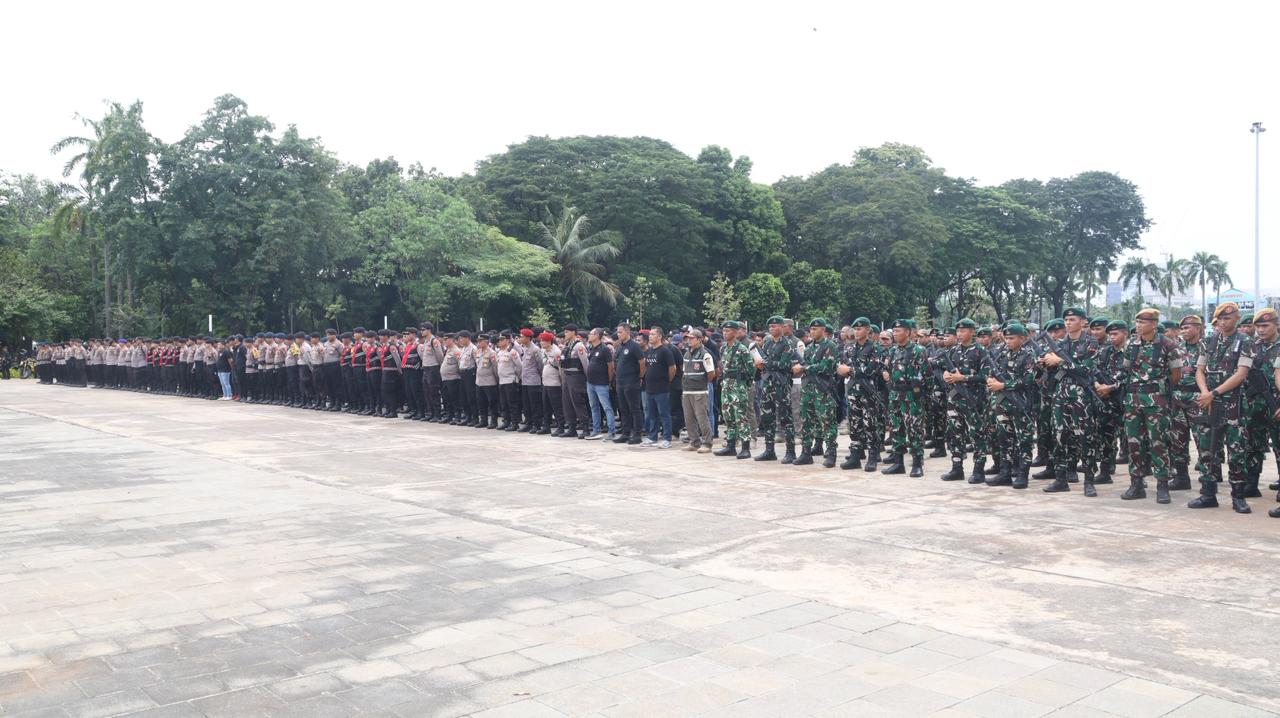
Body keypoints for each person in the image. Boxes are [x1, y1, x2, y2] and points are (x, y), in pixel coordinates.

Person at [1189, 302, 1255, 512]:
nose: (1223, 323)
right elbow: (1200, 370)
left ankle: (1238, 497)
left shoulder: (1245, 341)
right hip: (1209, 402)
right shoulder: (1209, 341)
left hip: (1233, 403)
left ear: (1236, 318)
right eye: (1219, 319)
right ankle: (1208, 494)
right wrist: (1205, 392)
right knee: (1207, 449)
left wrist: (1214, 393)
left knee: (1236, 450)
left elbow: (1241, 374)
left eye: (1227, 318)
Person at [1119, 308, 1183, 504]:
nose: (1138, 325)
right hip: (1133, 400)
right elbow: (1126, 369)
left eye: (1143, 322)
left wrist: (1158, 389)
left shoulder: (1168, 345)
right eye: (1137, 322)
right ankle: (1136, 484)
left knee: (1159, 443)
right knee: (1134, 443)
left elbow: (1176, 374)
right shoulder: (1132, 344)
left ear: (1154, 324)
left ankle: (1162, 486)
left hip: (1156, 402)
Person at [1040, 308, 1099, 495]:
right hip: (1060, 395)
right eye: (1066, 319)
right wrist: (1044, 363)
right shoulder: (1059, 343)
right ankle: (1060, 479)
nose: (1068, 322)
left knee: (1085, 437)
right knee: (1059, 437)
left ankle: (1089, 480)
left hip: (1081, 395)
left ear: (1082, 322)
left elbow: (1086, 369)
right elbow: (1049, 369)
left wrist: (1060, 361)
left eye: (1072, 319)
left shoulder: (1090, 342)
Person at [985, 322, 1038, 488]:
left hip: (1021, 404)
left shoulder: (1028, 355)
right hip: (1002, 403)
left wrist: (1003, 385)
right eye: (1006, 338)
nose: (1008, 341)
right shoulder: (1001, 354)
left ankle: (1022, 475)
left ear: (1022, 338)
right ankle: (1005, 473)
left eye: (1012, 338)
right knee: (1004, 439)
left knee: (1024, 440)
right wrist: (991, 380)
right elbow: (991, 372)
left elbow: (1028, 380)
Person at [938, 319, 990, 483]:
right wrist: (946, 375)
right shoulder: (953, 350)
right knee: (954, 434)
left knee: (977, 434)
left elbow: (986, 376)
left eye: (964, 331)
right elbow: (943, 368)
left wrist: (963, 378)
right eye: (958, 331)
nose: (960, 334)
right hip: (954, 398)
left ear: (973, 331)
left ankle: (978, 470)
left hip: (974, 399)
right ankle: (957, 468)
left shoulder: (980, 351)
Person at [838, 317, 885, 471]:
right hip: (853, 391)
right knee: (855, 425)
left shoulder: (875, 348)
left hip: (868, 392)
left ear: (867, 330)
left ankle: (872, 456)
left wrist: (850, 370)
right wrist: (842, 371)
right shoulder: (850, 348)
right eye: (855, 329)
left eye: (860, 329)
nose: (856, 332)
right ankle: (855, 456)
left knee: (870, 424)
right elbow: (843, 365)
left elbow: (871, 370)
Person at [882, 319, 927, 477]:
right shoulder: (892, 351)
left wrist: (920, 394)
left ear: (907, 332)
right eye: (894, 331)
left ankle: (917, 464)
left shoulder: (918, 350)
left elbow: (927, 375)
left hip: (911, 397)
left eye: (898, 331)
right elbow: (887, 370)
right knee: (896, 429)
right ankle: (898, 463)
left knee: (914, 430)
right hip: (895, 395)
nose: (895, 334)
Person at [794, 318, 840, 467]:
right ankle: (806, 452)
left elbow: (826, 366)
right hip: (808, 388)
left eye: (815, 329)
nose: (812, 332)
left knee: (827, 421)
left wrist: (804, 368)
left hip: (823, 389)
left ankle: (831, 453)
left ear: (823, 330)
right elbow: (807, 364)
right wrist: (802, 368)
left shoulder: (830, 346)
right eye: (811, 329)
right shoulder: (809, 347)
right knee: (806, 421)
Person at [1169, 315, 1206, 490]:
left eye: (1188, 327)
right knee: (1178, 440)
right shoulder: (1176, 348)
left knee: (1203, 441)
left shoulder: (1207, 347)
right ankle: (1182, 477)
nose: (1184, 331)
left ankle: (1208, 479)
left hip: (1198, 399)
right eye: (1182, 328)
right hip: (1178, 398)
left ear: (1198, 328)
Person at [714, 321, 755, 459]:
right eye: (724, 331)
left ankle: (745, 448)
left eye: (728, 331)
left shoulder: (742, 349)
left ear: (736, 332)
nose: (725, 333)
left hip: (738, 386)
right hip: (726, 385)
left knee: (741, 417)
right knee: (728, 416)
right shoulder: (723, 348)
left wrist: (744, 384)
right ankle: (730, 446)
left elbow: (751, 369)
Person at [679, 329, 715, 452]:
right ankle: (694, 442)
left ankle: (707, 443)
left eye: (692, 338)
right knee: (688, 418)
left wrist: (701, 383)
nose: (689, 340)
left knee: (702, 418)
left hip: (699, 391)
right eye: (688, 338)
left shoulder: (705, 354)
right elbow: (684, 371)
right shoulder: (687, 354)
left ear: (699, 339)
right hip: (687, 390)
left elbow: (711, 373)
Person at [643, 326, 677, 448]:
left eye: (653, 334)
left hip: (662, 388)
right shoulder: (649, 351)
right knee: (652, 414)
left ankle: (667, 438)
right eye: (650, 334)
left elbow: (672, 368)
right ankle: (652, 437)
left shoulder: (665, 351)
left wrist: (667, 380)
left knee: (664, 414)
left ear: (659, 336)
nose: (650, 336)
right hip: (650, 388)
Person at [612, 323, 645, 444]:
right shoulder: (619, 346)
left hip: (631, 381)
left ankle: (637, 434)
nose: (618, 334)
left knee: (634, 409)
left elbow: (642, 362)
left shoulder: (634, 346)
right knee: (623, 409)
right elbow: (616, 362)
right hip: (620, 382)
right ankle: (626, 433)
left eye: (620, 332)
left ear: (627, 332)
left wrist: (640, 376)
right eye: (618, 332)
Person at [584, 328, 616, 440]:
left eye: (591, 334)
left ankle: (611, 431)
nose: (589, 335)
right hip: (590, 382)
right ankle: (596, 430)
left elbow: (610, 366)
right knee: (594, 407)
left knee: (607, 407)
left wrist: (609, 380)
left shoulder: (604, 349)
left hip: (601, 383)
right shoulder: (591, 348)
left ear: (598, 335)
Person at [560, 325, 590, 439]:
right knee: (567, 402)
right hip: (567, 376)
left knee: (577, 402)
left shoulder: (579, 346)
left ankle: (585, 428)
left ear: (573, 332)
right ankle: (571, 427)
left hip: (576, 376)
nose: (565, 334)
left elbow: (585, 363)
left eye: (567, 332)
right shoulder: (568, 345)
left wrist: (587, 378)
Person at [517, 328, 544, 432]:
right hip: (525, 380)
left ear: (528, 338)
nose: (520, 338)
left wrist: (539, 376)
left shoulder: (535, 349)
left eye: (522, 337)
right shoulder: (524, 348)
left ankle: (537, 424)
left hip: (534, 381)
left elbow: (540, 365)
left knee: (535, 404)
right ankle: (529, 423)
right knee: (526, 404)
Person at [495, 332, 521, 430]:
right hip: (502, 381)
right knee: (504, 403)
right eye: (499, 340)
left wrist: (516, 377)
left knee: (512, 403)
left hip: (510, 380)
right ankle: (506, 421)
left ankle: (515, 423)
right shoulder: (500, 352)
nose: (499, 342)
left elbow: (519, 366)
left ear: (507, 340)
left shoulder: (512, 352)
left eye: (502, 340)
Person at [474, 333, 500, 429]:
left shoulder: (492, 353)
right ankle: (483, 420)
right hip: (479, 381)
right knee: (481, 402)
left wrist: (496, 380)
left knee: (492, 402)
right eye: (478, 341)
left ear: (486, 341)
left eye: (481, 341)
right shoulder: (478, 352)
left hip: (490, 381)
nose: (479, 343)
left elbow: (495, 368)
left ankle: (493, 421)